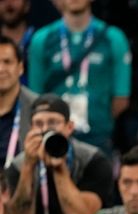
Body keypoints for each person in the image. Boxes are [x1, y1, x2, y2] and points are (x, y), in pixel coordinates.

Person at [26, 0, 131, 155]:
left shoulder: (113, 38)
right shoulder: (42, 39)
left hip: (99, 139)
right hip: (53, 138)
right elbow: (35, 98)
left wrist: (98, 120)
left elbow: (121, 99)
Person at [5, 93, 112, 214]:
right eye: (38, 124)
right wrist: (28, 167)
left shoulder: (93, 160)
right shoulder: (18, 166)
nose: (45, 130)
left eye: (53, 122)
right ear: (30, 129)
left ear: (69, 127)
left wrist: (59, 169)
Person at [0, 35, 36, 169]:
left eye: (7, 62)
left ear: (20, 68)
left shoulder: (38, 108)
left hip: (25, 186)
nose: (1, 69)